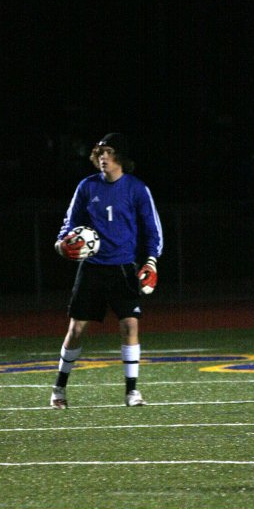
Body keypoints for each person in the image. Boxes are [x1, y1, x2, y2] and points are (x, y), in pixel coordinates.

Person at [50, 132, 163, 409]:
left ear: (120, 157)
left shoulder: (136, 188)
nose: (102, 158)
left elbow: (153, 229)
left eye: (108, 152)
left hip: (124, 267)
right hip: (92, 268)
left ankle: (132, 392)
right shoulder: (87, 187)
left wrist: (151, 261)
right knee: (76, 329)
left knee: (130, 325)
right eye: (99, 153)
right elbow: (69, 224)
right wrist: (60, 245)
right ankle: (59, 389)